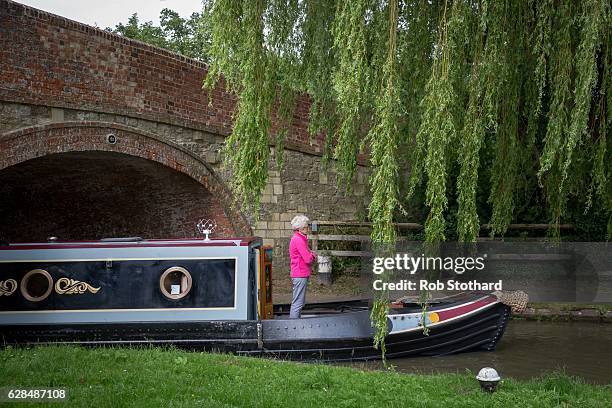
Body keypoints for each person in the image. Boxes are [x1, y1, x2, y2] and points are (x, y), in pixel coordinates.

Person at [288, 214, 316, 319]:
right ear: (301, 228)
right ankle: (293, 326)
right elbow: (308, 258)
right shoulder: (299, 240)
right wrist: (313, 255)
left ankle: (295, 324)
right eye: (306, 226)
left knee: (299, 301)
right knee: (298, 302)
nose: (308, 228)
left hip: (300, 273)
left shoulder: (299, 238)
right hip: (300, 273)